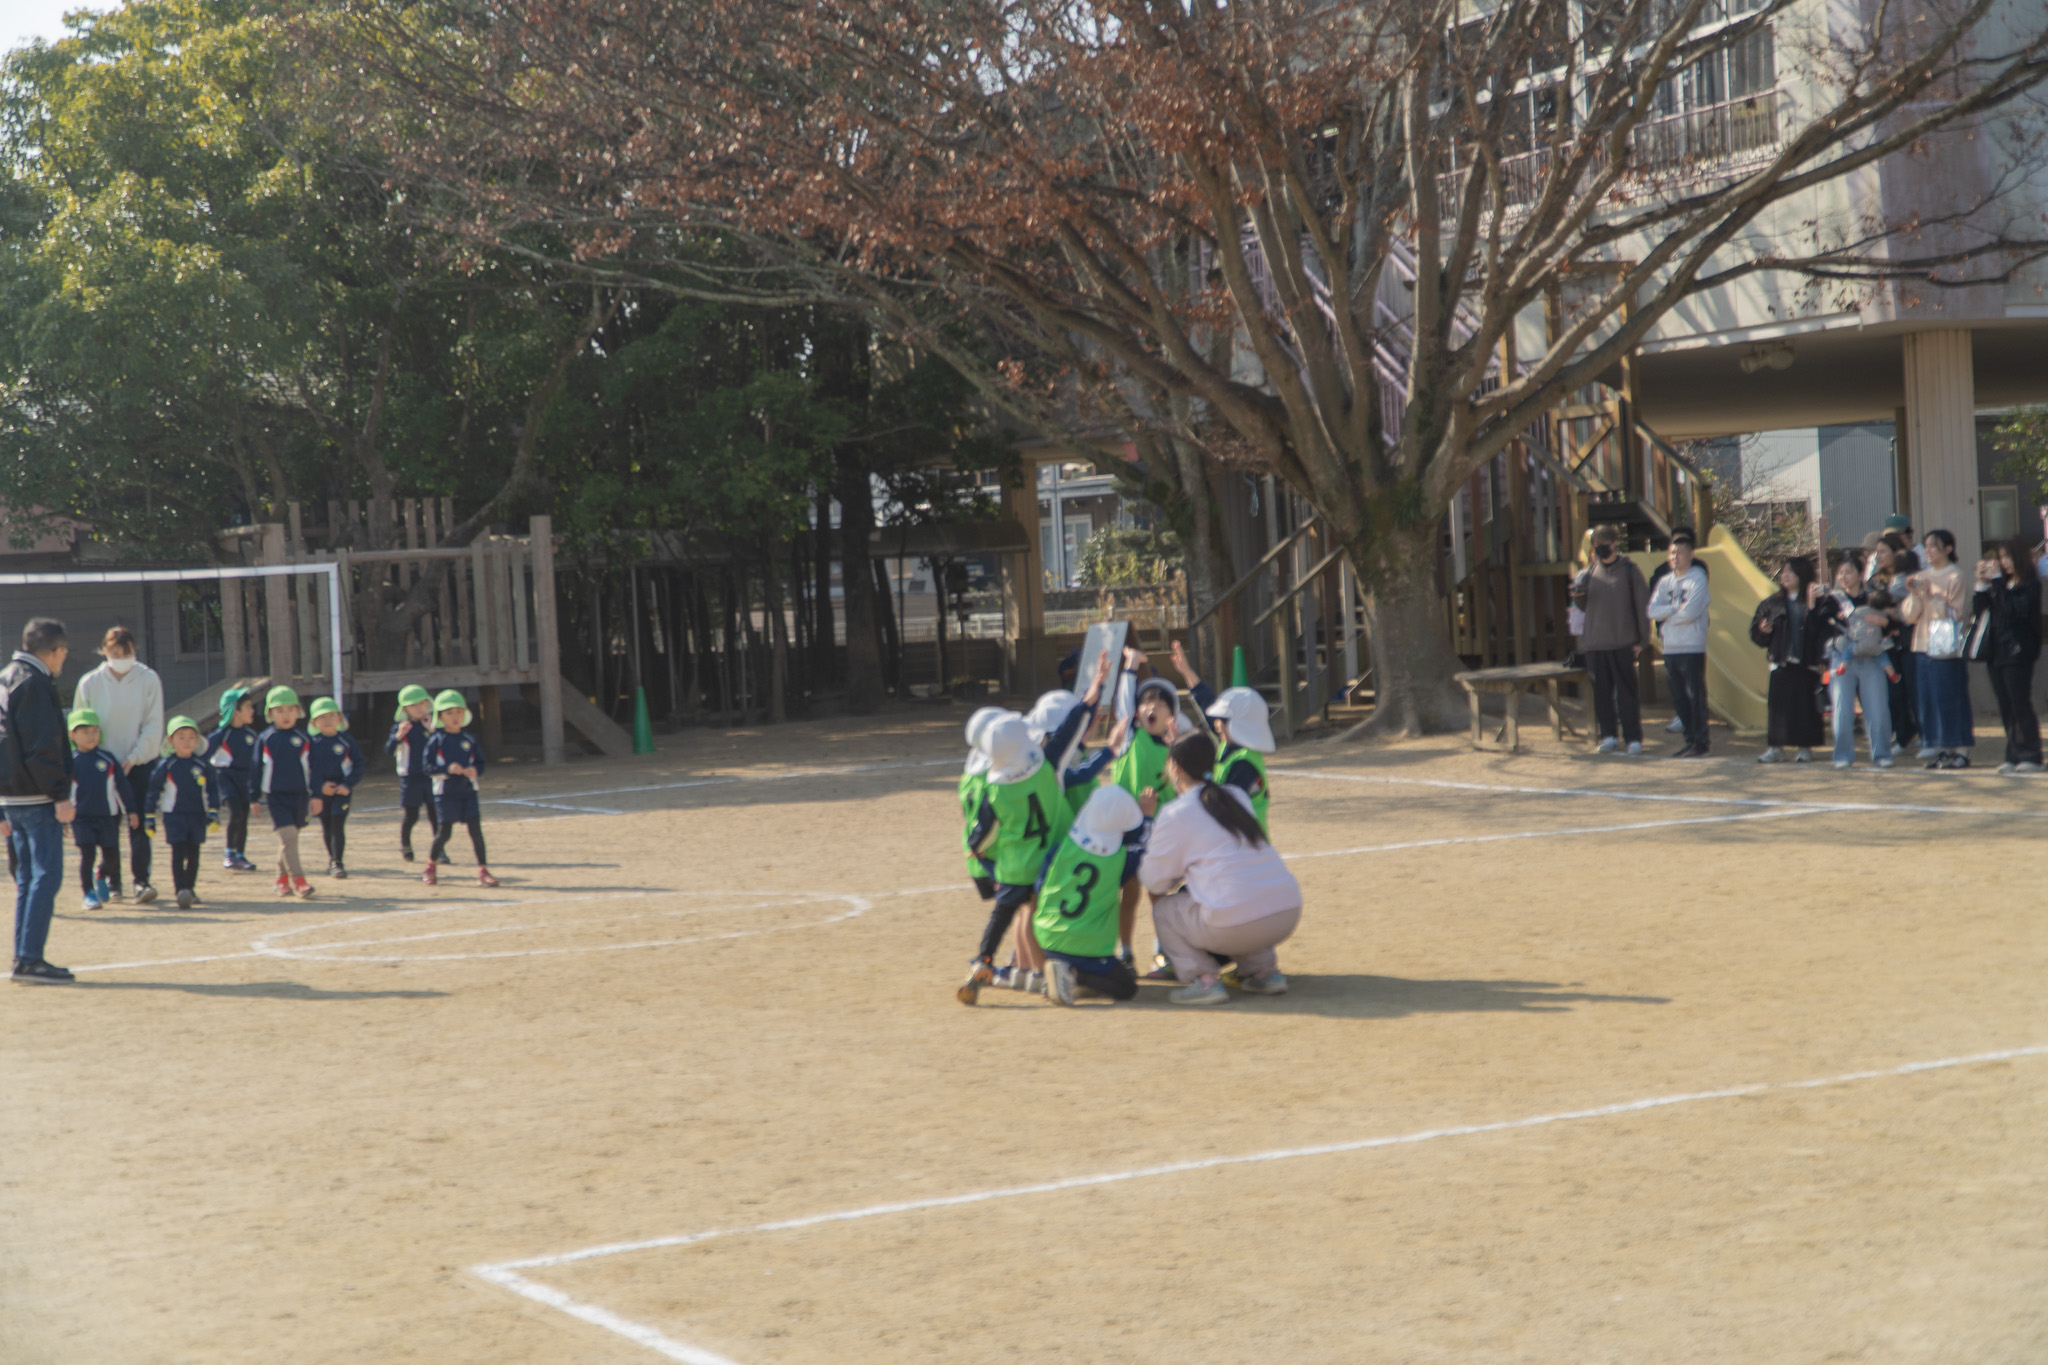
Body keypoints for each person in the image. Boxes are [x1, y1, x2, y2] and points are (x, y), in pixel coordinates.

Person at [1140, 733, 1302, 1005]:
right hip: (1287, 912)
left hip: (1237, 922)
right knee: (1235, 898)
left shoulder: (1175, 812)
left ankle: (1204, 980)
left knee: (1166, 912)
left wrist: (1146, 821)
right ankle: (1264, 971)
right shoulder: (1236, 795)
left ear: (1175, 768)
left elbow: (1153, 881)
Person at [956, 713, 1078, 1004]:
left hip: (1011, 869)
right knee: (1039, 919)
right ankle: (1047, 976)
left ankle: (982, 961)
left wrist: (991, 858)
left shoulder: (983, 784)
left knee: (1000, 918)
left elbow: (979, 839)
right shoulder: (1029, 773)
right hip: (1040, 862)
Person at [2, 618, 78, 984]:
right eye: (63, 652)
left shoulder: (6, 677)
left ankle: (24, 955)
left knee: (29, 876)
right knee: (45, 876)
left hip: (12, 796)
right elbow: (41, 745)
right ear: (54, 651)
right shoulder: (33, 682)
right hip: (35, 794)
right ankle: (30, 958)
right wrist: (61, 794)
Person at [72, 626, 165, 904]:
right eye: (115, 653)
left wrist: (133, 758)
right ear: (104, 651)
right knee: (106, 827)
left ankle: (141, 881)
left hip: (138, 763)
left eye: (126, 653)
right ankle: (111, 880)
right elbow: (80, 722)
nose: (121, 658)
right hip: (99, 767)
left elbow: (153, 723)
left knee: (139, 824)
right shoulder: (90, 682)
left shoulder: (148, 679)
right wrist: (99, 758)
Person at [1035, 784, 1147, 1006]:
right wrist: (1149, 816)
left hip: (1047, 938)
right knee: (1126, 987)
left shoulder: (1061, 847)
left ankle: (1057, 973)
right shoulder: (1121, 859)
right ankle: (1074, 975)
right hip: (1088, 946)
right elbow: (1143, 845)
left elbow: (1039, 888)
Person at [1169, 639, 1276, 830]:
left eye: (1222, 720)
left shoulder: (1244, 765)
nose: (1216, 724)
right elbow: (1207, 704)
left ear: (1239, 725)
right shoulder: (1231, 746)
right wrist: (1186, 672)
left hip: (1246, 850)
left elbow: (1222, 807)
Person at [1900, 529, 1975, 769]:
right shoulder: (1922, 575)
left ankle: (1961, 750)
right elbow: (1910, 616)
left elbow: (1955, 613)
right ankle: (1942, 748)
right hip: (1922, 645)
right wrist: (1914, 594)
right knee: (1929, 700)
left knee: (1951, 697)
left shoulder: (1955, 576)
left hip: (1946, 647)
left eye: (1933, 546)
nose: (1928, 551)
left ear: (1948, 549)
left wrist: (1932, 594)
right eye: (1926, 546)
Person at [1572, 526, 1650, 755]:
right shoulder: (1588, 572)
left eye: (1606, 542)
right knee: (1602, 694)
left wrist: (1642, 641)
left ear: (1615, 544)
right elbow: (1583, 606)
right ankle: (1608, 735)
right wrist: (1577, 595)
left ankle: (1633, 737)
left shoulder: (1629, 570)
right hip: (1596, 644)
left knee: (1627, 693)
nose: (1601, 548)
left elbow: (1642, 606)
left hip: (1623, 642)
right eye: (1597, 544)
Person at [1749, 555, 1835, 762]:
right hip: (1780, 662)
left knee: (1805, 708)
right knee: (1778, 708)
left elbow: (1823, 632)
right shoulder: (1772, 603)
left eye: (1790, 572)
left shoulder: (1820, 601)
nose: (1785, 575)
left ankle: (1804, 748)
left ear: (1802, 575)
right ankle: (1775, 748)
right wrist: (1764, 631)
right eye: (1784, 571)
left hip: (1807, 664)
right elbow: (1756, 635)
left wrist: (1813, 608)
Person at [1972, 536, 2042, 774]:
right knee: (2005, 704)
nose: (2003, 562)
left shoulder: (2030, 584)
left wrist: (1996, 584)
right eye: (2001, 557)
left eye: (2007, 557)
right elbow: (1981, 611)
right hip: (1997, 652)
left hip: (2018, 651)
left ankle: (2031, 754)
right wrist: (1982, 585)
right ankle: (2013, 753)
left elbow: (2014, 609)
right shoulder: (2001, 585)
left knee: (2019, 702)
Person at [1822, 555, 1895, 770]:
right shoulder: (1832, 599)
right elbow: (1821, 623)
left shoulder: (1873, 597)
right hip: (1843, 657)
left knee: (1878, 709)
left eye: (1848, 572)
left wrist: (1883, 622)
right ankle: (1842, 755)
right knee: (1842, 710)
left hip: (1872, 657)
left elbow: (1890, 624)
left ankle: (1882, 753)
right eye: (1840, 573)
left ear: (1860, 574)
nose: (1843, 576)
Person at [1646, 529, 1711, 757]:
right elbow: (1652, 610)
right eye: (1672, 552)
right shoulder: (1664, 581)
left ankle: (1701, 741)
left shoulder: (1698, 577)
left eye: (1680, 553)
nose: (1675, 557)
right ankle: (1690, 740)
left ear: (1691, 554)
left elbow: (1691, 612)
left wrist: (1669, 615)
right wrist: (1674, 610)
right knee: (1679, 697)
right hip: (1670, 646)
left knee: (1695, 695)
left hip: (1692, 645)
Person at [423, 690, 498, 887]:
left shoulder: (470, 739)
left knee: (476, 831)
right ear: (439, 716)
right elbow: (427, 767)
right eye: (449, 713)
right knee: (444, 832)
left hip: (468, 791)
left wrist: (475, 770)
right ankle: (431, 865)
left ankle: (483, 870)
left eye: (458, 711)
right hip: (445, 793)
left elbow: (480, 762)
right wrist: (447, 769)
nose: (455, 717)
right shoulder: (436, 740)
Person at [254, 684, 321, 898]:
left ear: (298, 711)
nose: (285, 715)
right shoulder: (266, 738)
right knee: (289, 836)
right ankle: (299, 880)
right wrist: (253, 797)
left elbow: (314, 768)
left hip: (300, 795)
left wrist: (317, 794)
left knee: (289, 841)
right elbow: (255, 769)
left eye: (290, 709)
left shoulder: (303, 738)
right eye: (279, 710)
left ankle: (280, 880)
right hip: (276, 796)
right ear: (270, 713)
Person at [66, 708, 138, 909]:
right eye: (85, 732)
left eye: (95, 731)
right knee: (87, 855)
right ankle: (88, 894)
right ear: (73, 735)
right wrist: (63, 818)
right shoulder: (70, 762)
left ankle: (101, 874)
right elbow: (64, 792)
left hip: (107, 817)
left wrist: (131, 811)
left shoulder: (107, 759)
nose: (91, 736)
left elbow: (121, 786)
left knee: (112, 857)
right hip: (81, 818)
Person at [147, 716, 214, 909]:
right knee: (178, 853)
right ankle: (180, 890)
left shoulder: (202, 765)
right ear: (171, 741)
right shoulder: (166, 765)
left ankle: (190, 889)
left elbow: (212, 789)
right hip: (174, 816)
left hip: (197, 815)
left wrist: (214, 811)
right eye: (181, 737)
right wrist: (149, 816)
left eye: (191, 737)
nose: (187, 741)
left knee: (194, 854)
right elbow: (154, 790)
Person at [1865, 535, 1919, 754]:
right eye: (1877, 552)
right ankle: (1903, 735)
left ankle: (1923, 734)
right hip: (1885, 642)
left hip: (1909, 639)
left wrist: (1892, 610)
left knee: (1914, 690)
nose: (1878, 556)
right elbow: (1871, 603)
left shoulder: (1909, 577)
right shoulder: (1875, 580)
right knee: (1894, 692)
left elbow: (1909, 605)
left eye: (1883, 551)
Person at [205, 686, 261, 872]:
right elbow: (204, 757)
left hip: (245, 780)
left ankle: (240, 854)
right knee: (235, 813)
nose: (252, 711)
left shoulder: (251, 736)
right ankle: (229, 853)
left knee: (243, 816)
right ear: (235, 711)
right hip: (226, 778)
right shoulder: (221, 735)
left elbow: (257, 763)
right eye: (248, 707)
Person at [307, 698, 365, 877]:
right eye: (322, 717)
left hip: (342, 790)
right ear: (313, 722)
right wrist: (319, 787)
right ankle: (332, 858)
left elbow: (359, 764)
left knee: (338, 824)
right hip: (322, 791)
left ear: (340, 718)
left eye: (332, 715)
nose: (327, 720)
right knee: (327, 826)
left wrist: (348, 784)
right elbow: (307, 768)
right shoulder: (311, 743)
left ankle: (337, 862)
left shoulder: (347, 741)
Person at [385, 683, 440, 862]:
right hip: (410, 777)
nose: (419, 708)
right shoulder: (402, 727)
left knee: (435, 814)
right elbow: (388, 749)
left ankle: (439, 850)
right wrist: (399, 736)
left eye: (422, 704)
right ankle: (405, 844)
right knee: (412, 815)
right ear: (405, 709)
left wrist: (432, 730)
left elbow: (444, 746)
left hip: (431, 776)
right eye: (413, 705)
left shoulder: (432, 726)